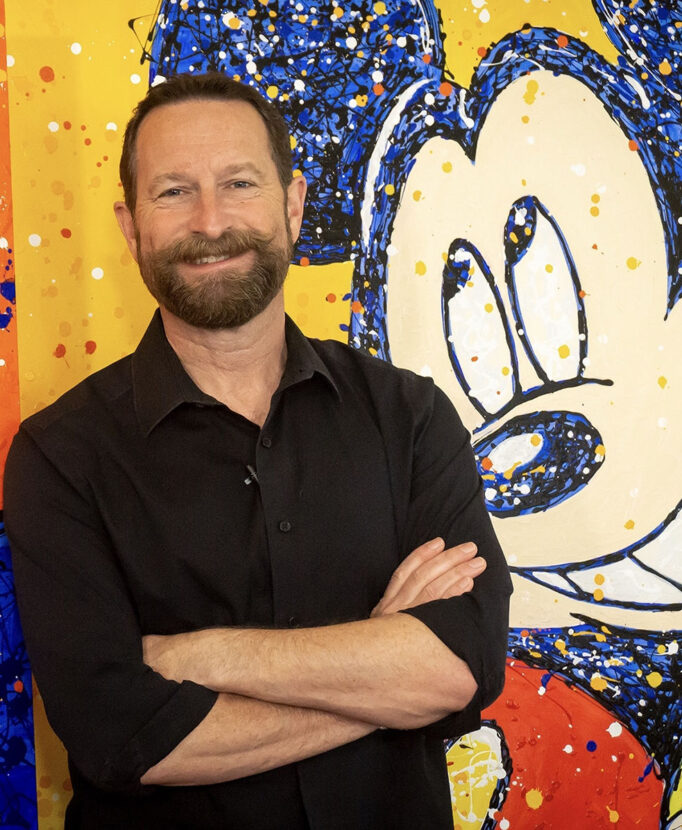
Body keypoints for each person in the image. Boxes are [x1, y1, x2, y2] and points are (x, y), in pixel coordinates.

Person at [4, 72, 512, 829]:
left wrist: (201, 658)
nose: (211, 222)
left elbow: (461, 668)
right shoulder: (59, 456)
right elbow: (123, 737)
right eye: (174, 192)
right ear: (131, 226)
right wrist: (381, 672)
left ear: (293, 204)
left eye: (239, 183)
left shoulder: (409, 417)